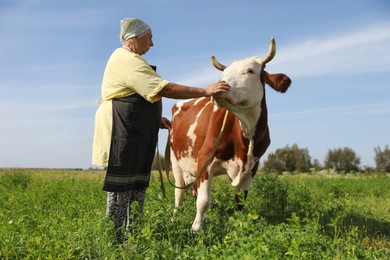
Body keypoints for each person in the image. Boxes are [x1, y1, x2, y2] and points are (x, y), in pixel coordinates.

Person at [92, 18, 230, 243]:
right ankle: (114, 241)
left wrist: (155, 119)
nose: (152, 44)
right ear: (134, 38)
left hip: (133, 127)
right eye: (150, 38)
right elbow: (162, 88)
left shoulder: (131, 60)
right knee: (121, 185)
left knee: (136, 183)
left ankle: (132, 236)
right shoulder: (125, 59)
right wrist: (205, 91)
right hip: (121, 128)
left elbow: (133, 95)